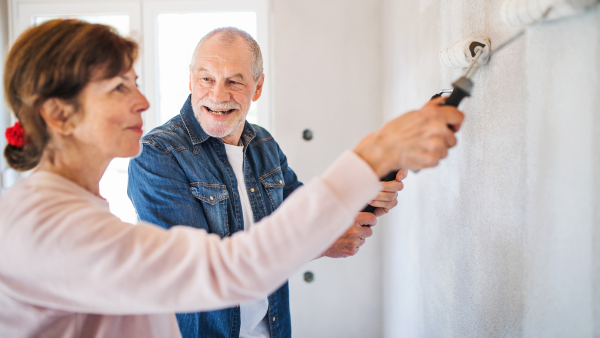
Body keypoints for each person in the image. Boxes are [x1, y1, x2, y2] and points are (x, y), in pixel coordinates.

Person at [0, 19, 463, 338]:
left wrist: (359, 196)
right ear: (59, 115)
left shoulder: (74, 210)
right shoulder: (47, 226)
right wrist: (374, 153)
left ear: (256, 87)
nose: (143, 100)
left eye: (135, 80)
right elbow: (224, 268)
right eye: (120, 87)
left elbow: (293, 212)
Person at [127, 27, 408, 338]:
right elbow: (195, 271)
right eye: (206, 79)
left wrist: (362, 196)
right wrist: (320, 243)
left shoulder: (264, 144)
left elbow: (306, 214)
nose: (218, 95)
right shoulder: (156, 154)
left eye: (234, 81)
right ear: (191, 79)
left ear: (257, 87)